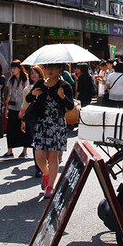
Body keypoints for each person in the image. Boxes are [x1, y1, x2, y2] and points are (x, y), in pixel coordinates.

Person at [26, 63, 74, 199]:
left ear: (59, 69)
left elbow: (70, 106)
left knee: (53, 156)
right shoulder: (40, 83)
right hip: (41, 123)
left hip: (57, 124)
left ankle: (50, 186)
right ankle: (46, 174)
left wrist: (63, 96)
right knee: (39, 156)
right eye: (47, 68)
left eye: (53, 68)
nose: (50, 70)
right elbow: (28, 98)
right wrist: (33, 93)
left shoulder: (64, 86)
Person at [2, 61, 31, 159]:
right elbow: (9, 93)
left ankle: (25, 150)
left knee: (23, 129)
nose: (12, 70)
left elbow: (27, 94)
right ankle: (9, 151)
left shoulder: (25, 79)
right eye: (12, 68)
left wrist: (26, 108)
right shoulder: (11, 80)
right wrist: (7, 107)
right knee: (10, 128)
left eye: (14, 68)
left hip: (22, 107)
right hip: (13, 107)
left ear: (19, 68)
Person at [19, 66, 44, 178]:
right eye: (31, 73)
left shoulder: (46, 85)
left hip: (44, 117)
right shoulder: (27, 89)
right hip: (32, 119)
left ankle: (45, 163)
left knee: (44, 142)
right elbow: (24, 105)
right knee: (36, 143)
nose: (33, 75)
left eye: (36, 73)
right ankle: (38, 167)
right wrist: (23, 121)